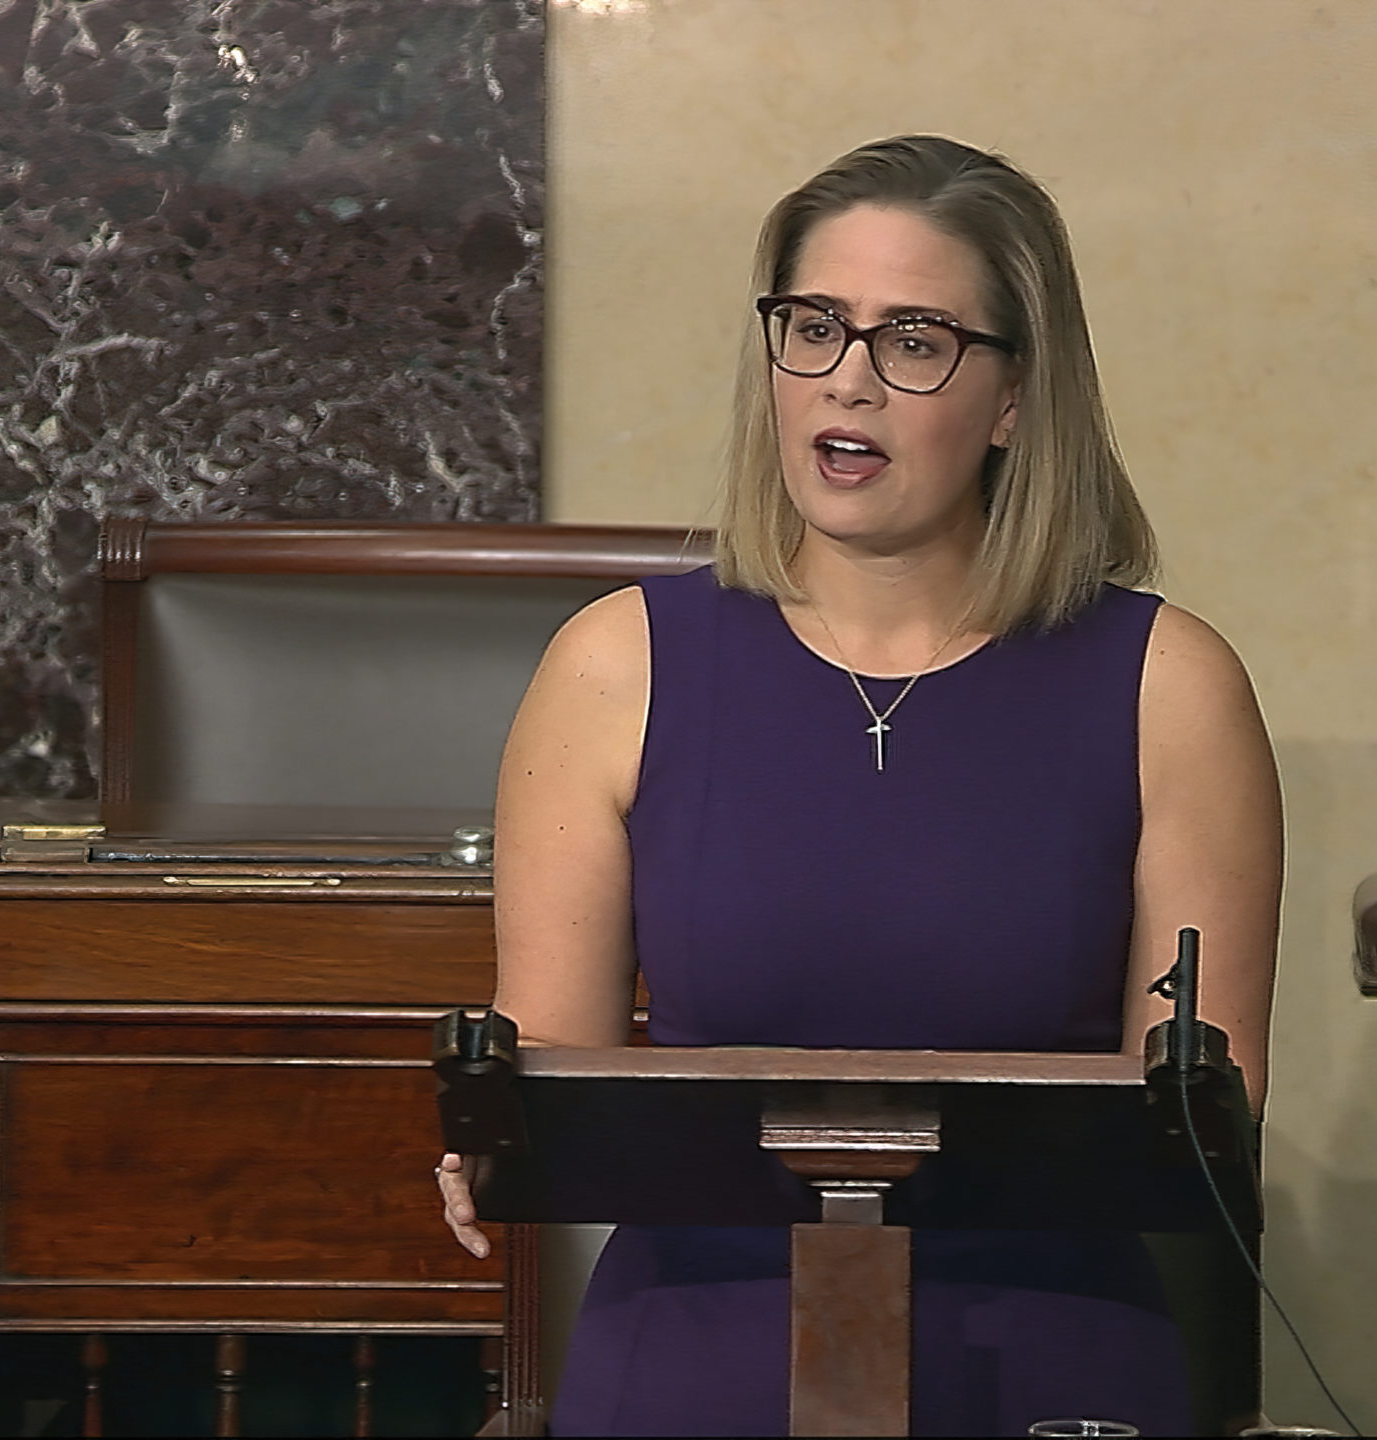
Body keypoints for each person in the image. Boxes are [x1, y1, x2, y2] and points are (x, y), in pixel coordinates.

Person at [438, 134, 1281, 1436]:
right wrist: (491, 1132)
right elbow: (553, 1072)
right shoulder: (614, 666)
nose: (850, 379)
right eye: (817, 327)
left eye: (915, 341)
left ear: (1013, 399)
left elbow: (1206, 1121)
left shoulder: (1171, 686)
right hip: (695, 1348)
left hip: (1047, 1354)